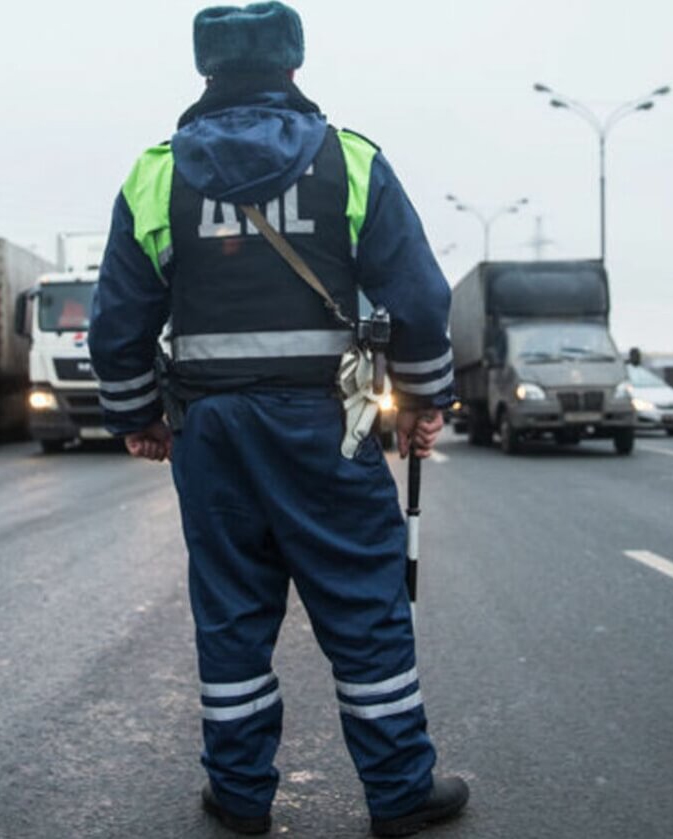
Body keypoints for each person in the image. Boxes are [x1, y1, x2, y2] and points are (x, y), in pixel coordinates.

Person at [88, 3, 468, 835]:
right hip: (327, 425)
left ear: (206, 72)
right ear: (293, 66)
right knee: (364, 606)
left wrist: (139, 415)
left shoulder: (156, 174)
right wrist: (424, 402)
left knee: (230, 611)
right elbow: (419, 300)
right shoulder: (350, 161)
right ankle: (400, 791)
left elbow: (115, 323)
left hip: (212, 432)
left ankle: (239, 794)